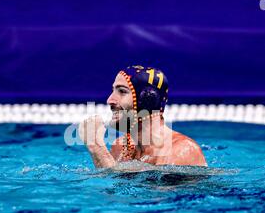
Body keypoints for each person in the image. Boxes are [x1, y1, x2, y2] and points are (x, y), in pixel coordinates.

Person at [79, 65, 207, 168]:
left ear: (146, 100)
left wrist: (97, 148)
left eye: (122, 91)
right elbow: (111, 195)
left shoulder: (182, 150)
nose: (110, 100)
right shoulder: (120, 147)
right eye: (113, 91)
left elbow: (158, 197)